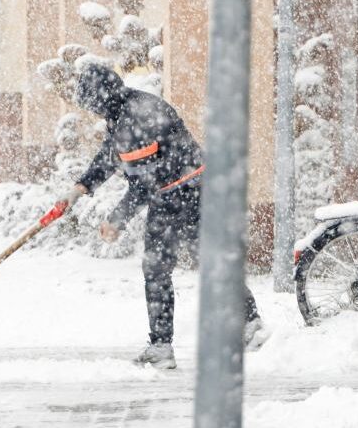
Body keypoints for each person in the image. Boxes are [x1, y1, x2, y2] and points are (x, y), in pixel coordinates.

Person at [57, 61, 264, 369]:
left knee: (157, 268)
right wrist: (81, 187)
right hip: (195, 188)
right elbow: (110, 156)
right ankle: (250, 324)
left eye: (92, 105)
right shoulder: (127, 108)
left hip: (178, 193)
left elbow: (145, 182)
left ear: (100, 98)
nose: (94, 112)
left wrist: (117, 218)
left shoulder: (134, 118)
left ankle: (163, 347)